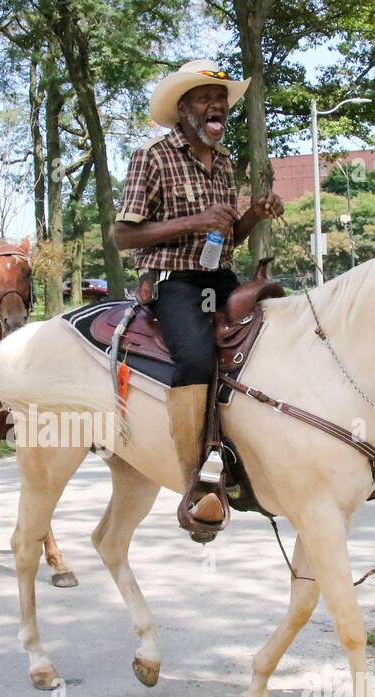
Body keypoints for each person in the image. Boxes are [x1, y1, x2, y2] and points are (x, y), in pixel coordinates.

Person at [113, 59, 284, 539]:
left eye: (223, 100)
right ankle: (194, 480)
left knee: (273, 333)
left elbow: (229, 235)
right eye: (207, 98)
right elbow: (124, 236)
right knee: (193, 357)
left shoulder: (226, 161)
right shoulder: (152, 155)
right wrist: (195, 222)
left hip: (221, 275)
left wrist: (253, 214)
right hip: (175, 281)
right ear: (184, 108)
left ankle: (266, 454)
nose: (218, 106)